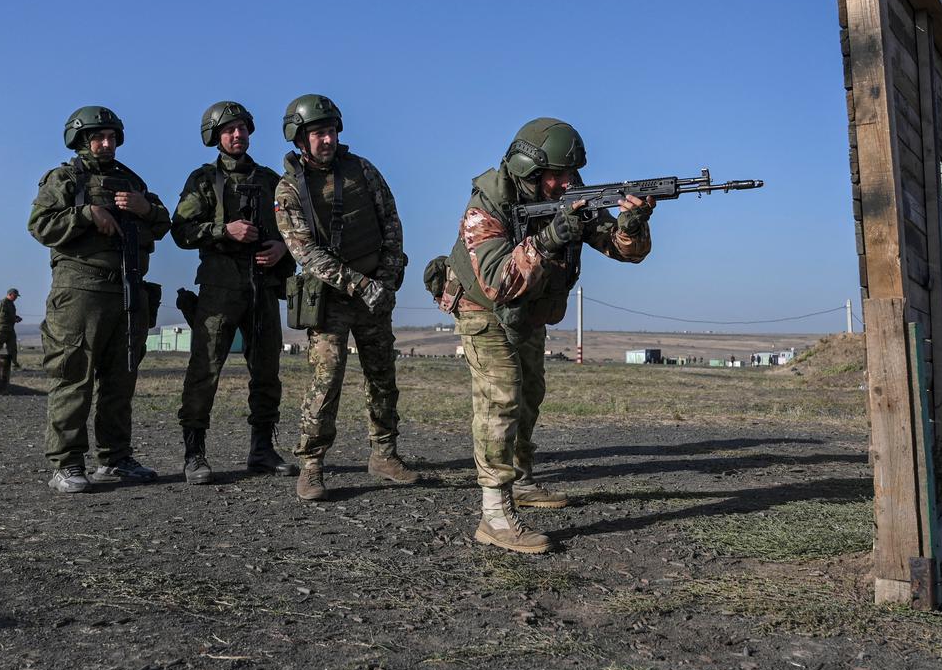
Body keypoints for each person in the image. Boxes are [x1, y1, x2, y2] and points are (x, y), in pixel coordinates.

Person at [440, 118, 655, 553]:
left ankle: (520, 480)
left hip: (528, 309)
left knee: (530, 392)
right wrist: (553, 237)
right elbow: (498, 282)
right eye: (558, 175)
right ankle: (495, 516)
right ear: (528, 170)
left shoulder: (572, 197)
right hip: (481, 307)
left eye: (572, 174)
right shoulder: (487, 206)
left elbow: (624, 250)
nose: (567, 183)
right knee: (501, 397)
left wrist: (631, 224)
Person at [273, 93, 416, 501]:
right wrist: (360, 285)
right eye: (317, 133)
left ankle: (384, 454)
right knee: (326, 378)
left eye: (331, 131)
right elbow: (305, 252)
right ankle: (312, 466)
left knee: (382, 375)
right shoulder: (288, 189)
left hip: (375, 291)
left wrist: (386, 279)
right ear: (299, 139)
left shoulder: (363, 170)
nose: (326, 140)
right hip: (331, 299)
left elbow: (390, 220)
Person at [28, 106, 171, 493]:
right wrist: (86, 213)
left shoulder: (130, 180)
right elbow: (40, 224)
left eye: (111, 136)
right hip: (80, 292)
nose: (106, 144)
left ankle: (116, 458)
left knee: (121, 379)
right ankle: (67, 464)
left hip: (127, 289)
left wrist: (147, 208)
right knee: (73, 377)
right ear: (80, 140)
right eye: (97, 137)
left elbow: (163, 223)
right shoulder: (65, 178)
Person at [171, 101, 296, 484]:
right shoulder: (204, 180)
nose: (237, 134)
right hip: (219, 290)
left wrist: (282, 250)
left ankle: (261, 448)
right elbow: (181, 231)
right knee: (204, 371)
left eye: (242, 127)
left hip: (262, 290)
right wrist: (224, 231)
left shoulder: (271, 180)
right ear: (215, 137)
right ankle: (195, 453)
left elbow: (294, 230)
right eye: (229, 129)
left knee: (267, 373)